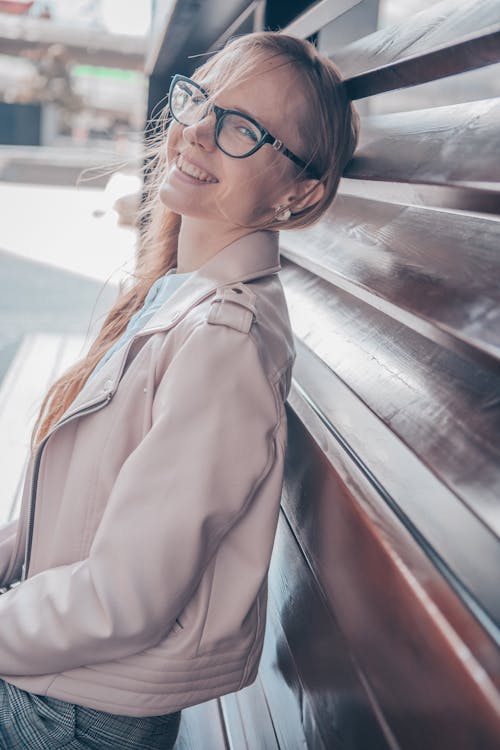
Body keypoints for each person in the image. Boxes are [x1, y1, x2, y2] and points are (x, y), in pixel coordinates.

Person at [0, 31, 359, 750]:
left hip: (69, 714)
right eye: (201, 102)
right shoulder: (180, 298)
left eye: (243, 129)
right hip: (57, 678)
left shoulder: (223, 343)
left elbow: (124, 597)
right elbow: (76, 518)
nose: (196, 131)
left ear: (300, 192)